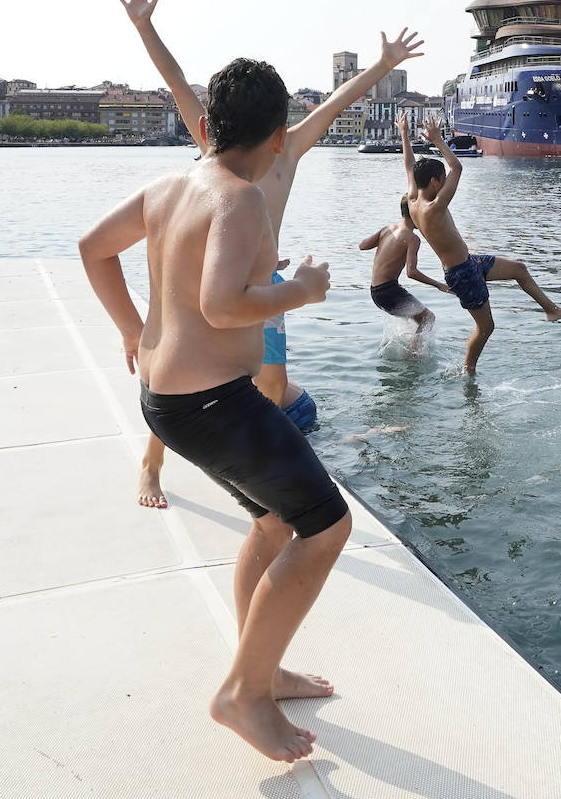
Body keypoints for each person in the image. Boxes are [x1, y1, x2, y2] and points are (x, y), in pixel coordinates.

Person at [79, 58, 351, 762]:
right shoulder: (241, 197)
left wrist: (132, 328)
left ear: (206, 125)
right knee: (325, 527)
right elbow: (222, 303)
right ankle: (241, 693)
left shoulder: (171, 185)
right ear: (276, 137)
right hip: (213, 404)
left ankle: (262, 669)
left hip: (166, 402)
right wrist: (304, 289)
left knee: (269, 522)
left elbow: (92, 248)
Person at [116, 0, 422, 507]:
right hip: (214, 285)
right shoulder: (215, 142)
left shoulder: (290, 150)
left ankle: (252, 462)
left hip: (265, 287)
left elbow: (335, 102)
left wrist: (382, 67)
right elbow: (178, 82)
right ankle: (152, 461)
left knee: (272, 386)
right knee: (184, 377)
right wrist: (145, 26)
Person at [400, 113, 561, 373]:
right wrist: (439, 141)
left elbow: (409, 165)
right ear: (434, 182)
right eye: (441, 181)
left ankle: (552, 310)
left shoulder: (411, 198)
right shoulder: (433, 207)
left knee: (518, 269)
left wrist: (405, 135)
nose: (444, 184)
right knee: (486, 327)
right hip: (461, 274)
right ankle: (468, 371)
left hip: (469, 263)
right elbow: (458, 168)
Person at [359, 119, 450, 346]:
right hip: (388, 291)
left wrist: (404, 134)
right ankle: (414, 358)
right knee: (428, 318)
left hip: (375, 291)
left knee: (418, 318)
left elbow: (362, 245)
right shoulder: (412, 239)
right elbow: (411, 272)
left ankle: (409, 347)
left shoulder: (387, 229)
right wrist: (439, 285)